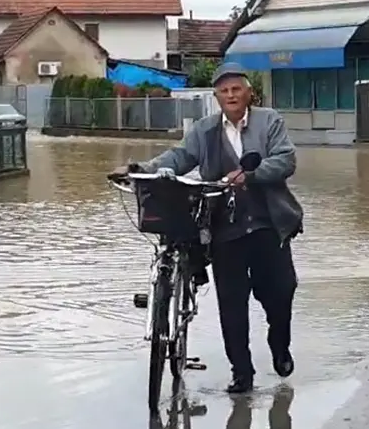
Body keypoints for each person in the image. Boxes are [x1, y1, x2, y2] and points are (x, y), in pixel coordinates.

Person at [110, 62, 303, 394]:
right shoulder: (204, 130)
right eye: (224, 91)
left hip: (267, 223)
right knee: (231, 301)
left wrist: (251, 175)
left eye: (236, 89)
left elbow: (286, 159)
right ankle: (241, 372)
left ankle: (279, 343)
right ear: (216, 97)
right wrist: (142, 169)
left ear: (248, 93)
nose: (230, 95)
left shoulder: (269, 121)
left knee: (280, 292)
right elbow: (181, 157)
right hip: (224, 225)